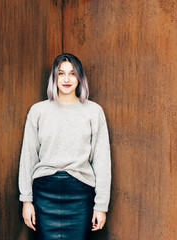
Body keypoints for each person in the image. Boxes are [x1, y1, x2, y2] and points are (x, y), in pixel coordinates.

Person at [18, 53, 111, 240]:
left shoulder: (94, 111)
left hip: (80, 194)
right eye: (61, 73)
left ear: (80, 78)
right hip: (44, 193)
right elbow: (28, 157)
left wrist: (101, 206)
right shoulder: (38, 111)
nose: (67, 79)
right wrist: (26, 200)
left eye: (72, 74)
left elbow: (102, 161)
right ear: (54, 77)